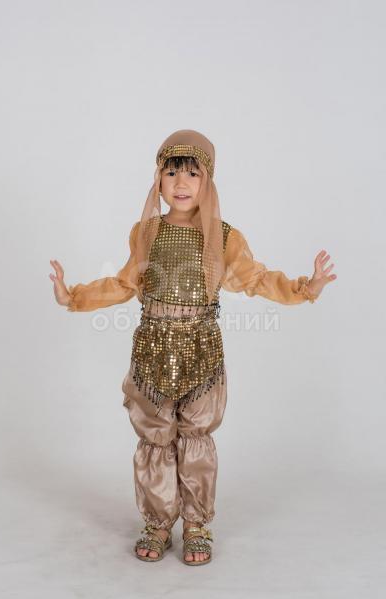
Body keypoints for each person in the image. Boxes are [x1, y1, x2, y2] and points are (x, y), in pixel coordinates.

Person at [49, 129, 337, 565]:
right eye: (171, 173)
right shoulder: (146, 232)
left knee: (195, 437)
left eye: (192, 173)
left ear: (208, 181)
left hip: (201, 352)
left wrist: (305, 287)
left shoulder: (224, 237)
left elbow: (257, 280)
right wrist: (73, 295)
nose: (181, 183)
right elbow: (124, 283)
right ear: (158, 180)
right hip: (152, 349)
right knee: (156, 438)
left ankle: (197, 523)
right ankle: (158, 522)